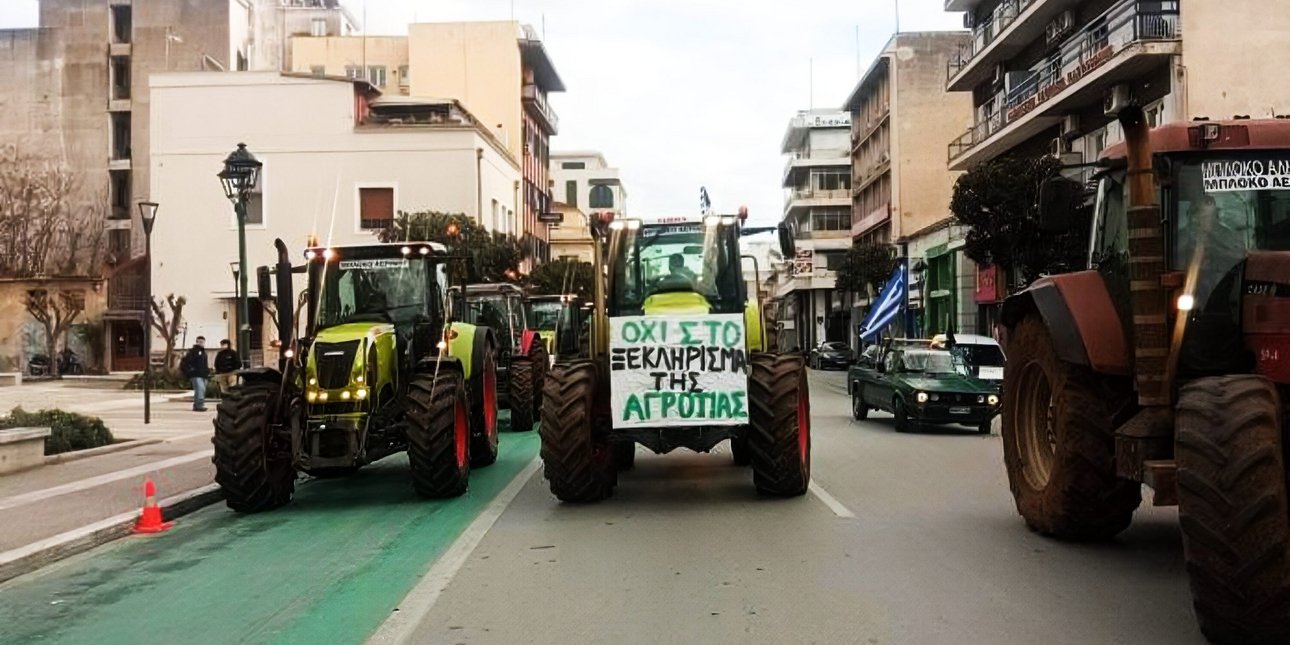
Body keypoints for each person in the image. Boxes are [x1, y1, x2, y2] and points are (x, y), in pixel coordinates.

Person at [180, 336, 211, 412]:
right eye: (199, 342)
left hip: (203, 374)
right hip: (196, 374)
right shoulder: (192, 351)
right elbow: (185, 362)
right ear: (196, 342)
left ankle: (197, 405)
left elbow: (205, 364)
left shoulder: (204, 352)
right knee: (200, 389)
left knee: (202, 390)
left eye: (202, 342)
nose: (201, 343)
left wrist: (207, 371)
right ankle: (199, 405)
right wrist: (190, 370)